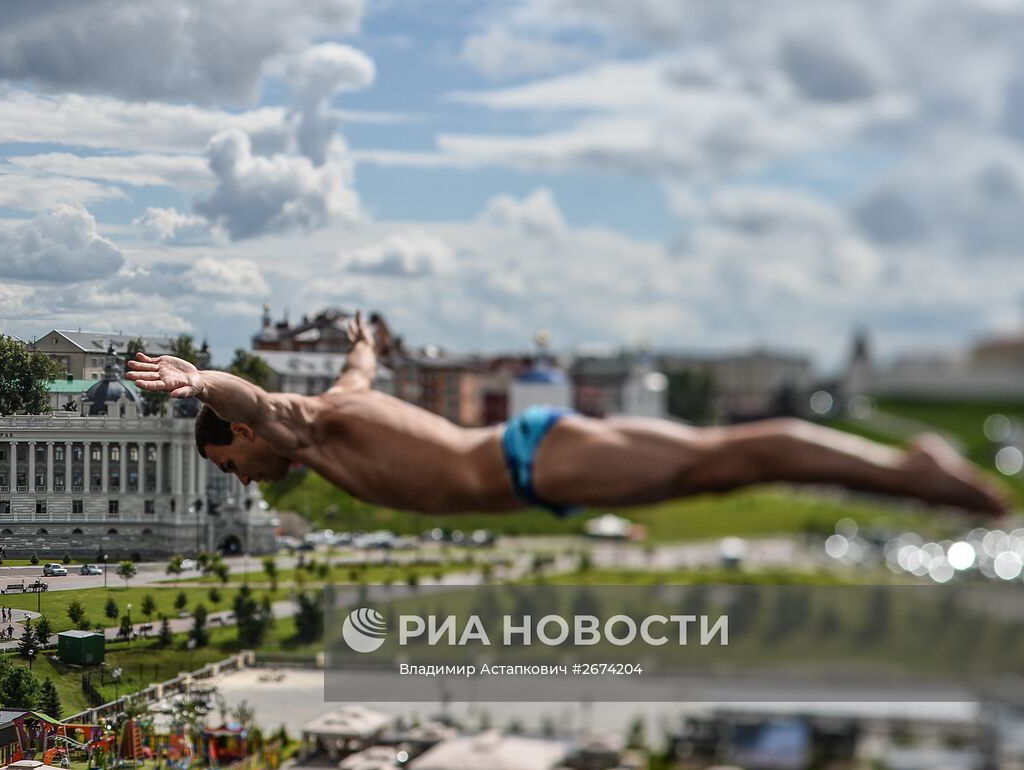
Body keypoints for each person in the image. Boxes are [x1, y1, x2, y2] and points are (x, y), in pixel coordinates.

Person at [126, 312, 1010, 520]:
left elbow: (254, 397)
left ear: (243, 438)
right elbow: (360, 367)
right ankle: (904, 474)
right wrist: (364, 342)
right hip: (535, 463)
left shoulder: (299, 424)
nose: (246, 481)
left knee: (724, 458)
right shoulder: (338, 403)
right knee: (720, 465)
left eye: (231, 466)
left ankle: (909, 470)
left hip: (531, 458)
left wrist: (199, 377)